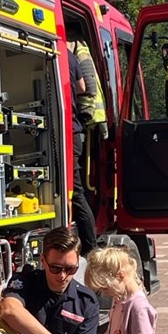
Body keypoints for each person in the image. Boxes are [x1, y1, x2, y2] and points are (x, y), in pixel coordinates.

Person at [66, 29, 98, 255]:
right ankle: (90, 246)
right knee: (76, 191)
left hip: (67, 131)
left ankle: (91, 246)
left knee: (74, 191)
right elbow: (83, 88)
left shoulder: (61, 53)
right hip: (75, 130)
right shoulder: (70, 56)